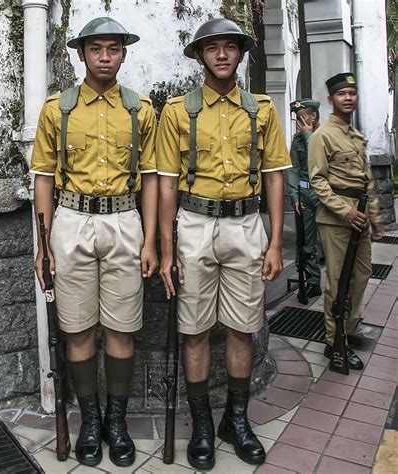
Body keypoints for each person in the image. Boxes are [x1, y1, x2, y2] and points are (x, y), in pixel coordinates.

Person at [156, 18, 291, 469]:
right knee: (194, 329)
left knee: (242, 326)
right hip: (195, 223)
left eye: (229, 47)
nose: (221, 55)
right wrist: (168, 249)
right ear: (199, 55)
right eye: (211, 48)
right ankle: (200, 426)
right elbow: (167, 185)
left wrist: (274, 243)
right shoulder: (177, 111)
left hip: (246, 224)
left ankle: (236, 418)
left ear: (240, 54)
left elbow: (275, 176)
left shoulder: (262, 109)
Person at [30, 17, 158, 467]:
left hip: (124, 220)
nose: (105, 57)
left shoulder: (141, 109)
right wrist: (44, 245)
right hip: (72, 221)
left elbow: (150, 180)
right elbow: (43, 178)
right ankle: (89, 422)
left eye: (114, 49)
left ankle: (116, 422)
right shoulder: (57, 109)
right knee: (78, 328)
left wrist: (150, 241)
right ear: (81, 54)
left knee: (122, 327)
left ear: (124, 53)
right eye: (96, 49)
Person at [308, 72, 384, 370]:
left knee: (361, 278)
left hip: (361, 217)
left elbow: (367, 183)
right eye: (342, 94)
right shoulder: (322, 136)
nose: (348, 98)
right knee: (337, 283)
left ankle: (348, 331)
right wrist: (344, 211)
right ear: (331, 100)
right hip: (336, 220)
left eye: (352, 93)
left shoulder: (356, 137)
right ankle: (335, 341)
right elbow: (317, 181)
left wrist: (375, 219)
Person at [286, 99, 322, 298]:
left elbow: (322, 161)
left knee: (329, 240)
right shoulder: (297, 141)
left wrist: (309, 137)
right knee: (307, 243)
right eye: (296, 119)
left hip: (324, 196)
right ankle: (314, 281)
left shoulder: (325, 136)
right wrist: (294, 195)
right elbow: (294, 169)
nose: (298, 122)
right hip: (305, 195)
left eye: (301, 118)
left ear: (313, 116)